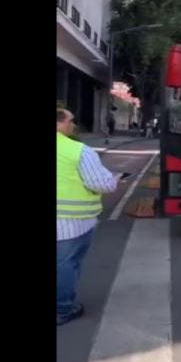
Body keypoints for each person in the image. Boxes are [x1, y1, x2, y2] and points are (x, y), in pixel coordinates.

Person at [57, 109, 121, 325]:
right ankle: (62, 309)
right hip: (70, 222)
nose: (73, 125)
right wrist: (114, 179)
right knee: (66, 264)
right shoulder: (78, 151)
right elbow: (101, 183)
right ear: (59, 124)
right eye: (71, 121)